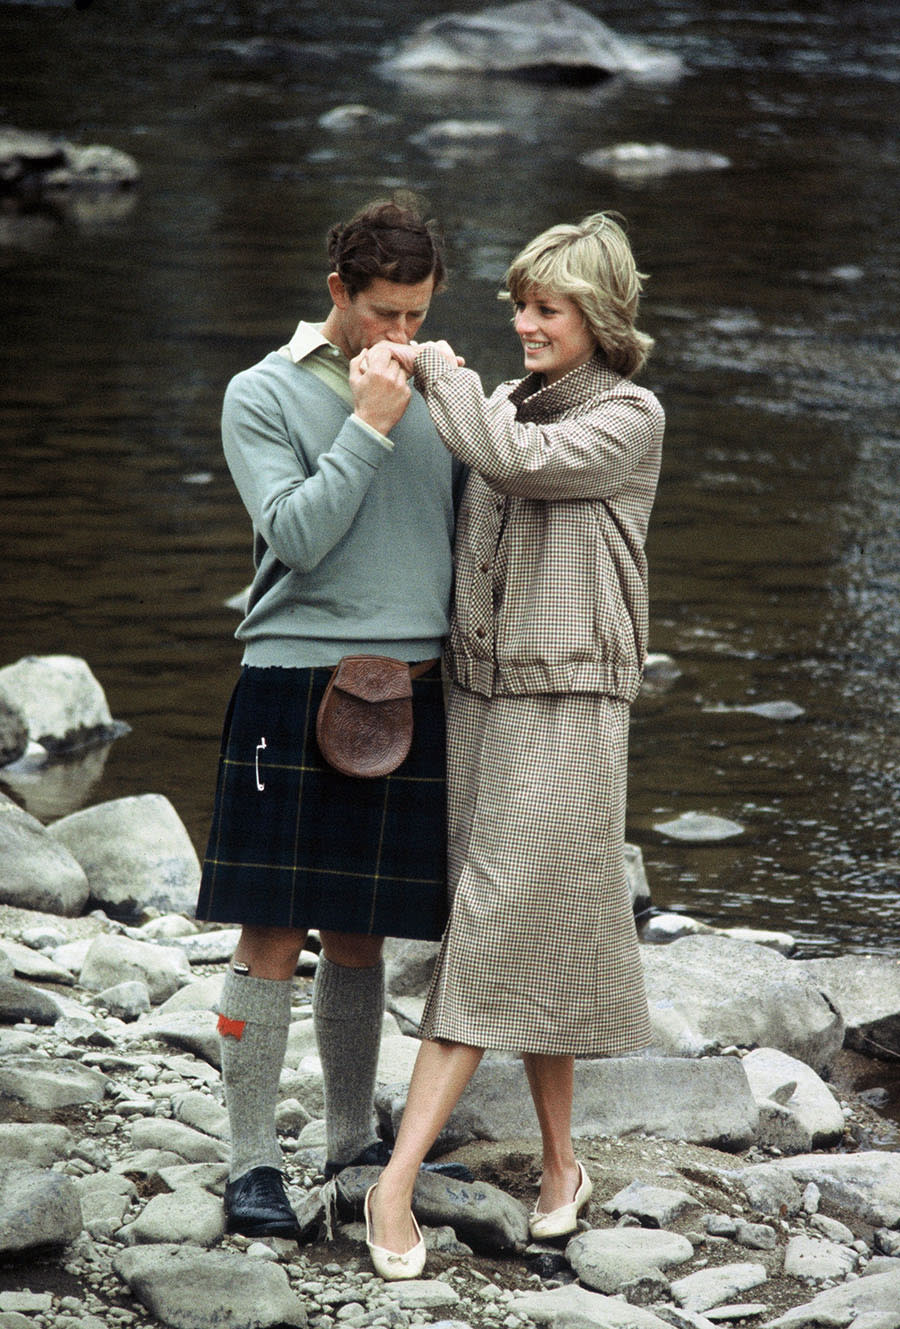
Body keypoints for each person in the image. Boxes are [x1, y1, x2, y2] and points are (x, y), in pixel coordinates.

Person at [363, 212, 664, 1279]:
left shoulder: (627, 416)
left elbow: (520, 463)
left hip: (571, 704)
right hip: (484, 697)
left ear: (600, 316)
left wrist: (439, 371)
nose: (526, 324)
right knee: (531, 926)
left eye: (548, 309)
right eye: (521, 307)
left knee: (491, 928)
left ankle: (391, 1187)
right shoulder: (503, 404)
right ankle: (562, 1166)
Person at [195, 197, 466, 1241]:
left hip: (412, 681)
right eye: (384, 314)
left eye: (418, 315)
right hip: (293, 678)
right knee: (272, 928)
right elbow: (298, 539)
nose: (401, 337)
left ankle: (353, 1146)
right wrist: (368, 425)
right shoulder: (259, 394)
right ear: (337, 295)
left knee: (362, 935)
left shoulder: (442, 393)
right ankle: (250, 1160)